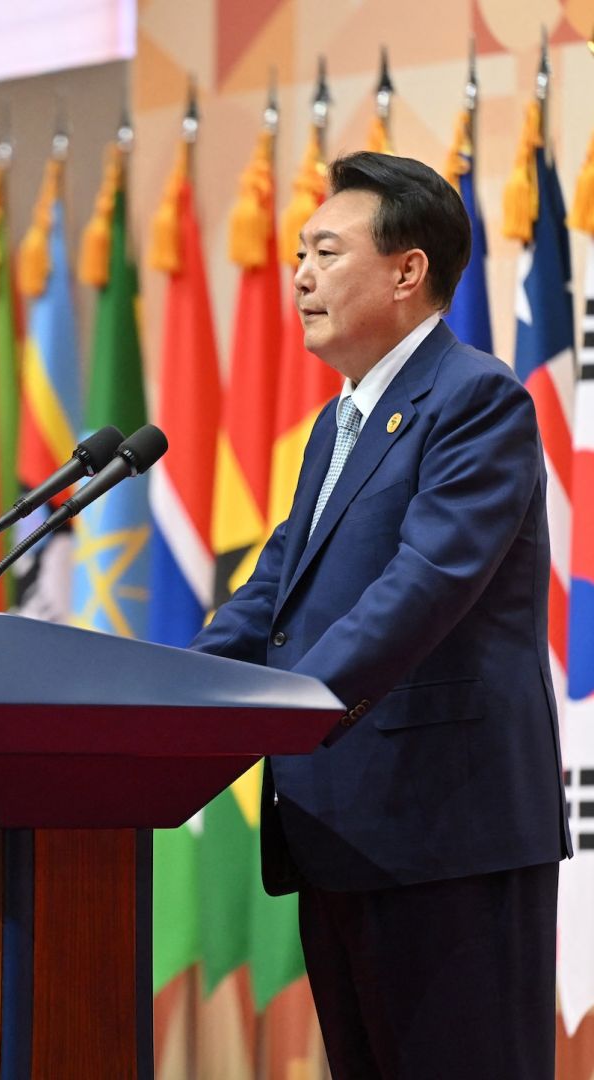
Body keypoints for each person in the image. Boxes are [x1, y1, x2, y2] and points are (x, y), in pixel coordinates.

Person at [192, 153, 571, 1079]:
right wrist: (170, 694)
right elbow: (273, 592)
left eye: (326, 250)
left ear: (408, 272)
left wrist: (300, 701)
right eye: (298, 253)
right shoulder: (339, 424)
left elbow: (427, 580)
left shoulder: (475, 398)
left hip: (446, 831)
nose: (301, 275)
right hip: (344, 831)